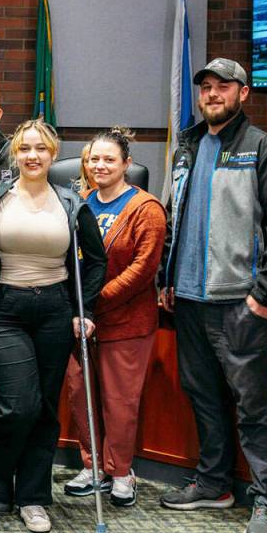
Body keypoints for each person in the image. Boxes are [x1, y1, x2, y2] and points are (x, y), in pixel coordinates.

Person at [158, 58, 267, 533]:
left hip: (240, 302)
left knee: (252, 406)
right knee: (203, 396)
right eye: (206, 86)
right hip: (189, 299)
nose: (212, 94)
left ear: (243, 93)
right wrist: (166, 278)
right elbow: (174, 216)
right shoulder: (187, 147)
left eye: (223, 86)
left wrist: (263, 297)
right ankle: (214, 484)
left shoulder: (266, 150)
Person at [0, 119, 106, 533]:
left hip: (56, 309)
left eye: (41, 149)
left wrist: (86, 310)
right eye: (25, 149)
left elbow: (96, 261)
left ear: (53, 155)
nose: (32, 156)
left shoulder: (71, 202)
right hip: (5, 308)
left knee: (43, 410)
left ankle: (33, 497)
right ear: (15, 154)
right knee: (16, 406)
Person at [62, 127, 166, 507]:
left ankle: (121, 472)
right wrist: (77, 308)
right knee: (81, 395)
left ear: (127, 164)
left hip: (125, 323)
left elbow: (142, 270)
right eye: (94, 159)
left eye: (109, 159)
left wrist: (92, 302)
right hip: (81, 322)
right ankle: (93, 468)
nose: (100, 166)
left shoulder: (146, 209)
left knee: (119, 402)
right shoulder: (80, 202)